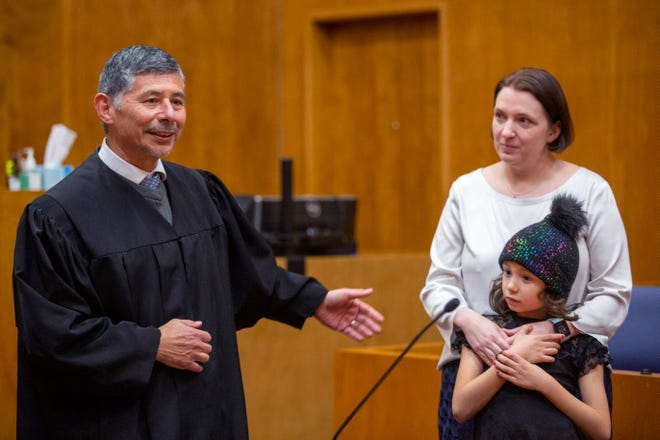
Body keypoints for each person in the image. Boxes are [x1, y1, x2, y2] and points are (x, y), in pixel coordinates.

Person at [12, 45, 384, 439]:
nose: (168, 114)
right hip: (121, 421)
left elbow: (245, 273)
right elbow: (53, 337)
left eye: (177, 101)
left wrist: (312, 300)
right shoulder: (57, 216)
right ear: (106, 108)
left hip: (207, 412)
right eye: (151, 100)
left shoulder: (200, 190)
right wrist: (152, 343)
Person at [419, 67, 631, 439]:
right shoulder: (466, 191)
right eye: (500, 116)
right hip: (476, 373)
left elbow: (613, 294)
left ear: (554, 130)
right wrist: (475, 325)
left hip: (564, 375)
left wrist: (554, 329)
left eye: (523, 121)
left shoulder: (591, 191)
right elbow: (438, 286)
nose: (506, 131)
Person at [452, 194, 611, 440]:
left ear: (552, 288)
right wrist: (515, 357)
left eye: (526, 278)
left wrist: (542, 382)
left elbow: (601, 430)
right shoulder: (486, 332)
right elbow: (461, 409)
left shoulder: (580, 344)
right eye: (507, 272)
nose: (511, 286)